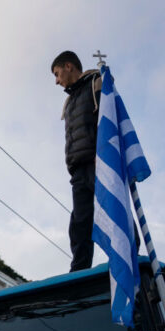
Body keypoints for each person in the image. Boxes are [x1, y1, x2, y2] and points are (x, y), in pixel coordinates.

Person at [52, 50, 102, 271]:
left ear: (68, 66)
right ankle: (79, 272)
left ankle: (130, 259)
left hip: (99, 163)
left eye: (57, 73)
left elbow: (107, 118)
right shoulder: (69, 101)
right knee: (80, 222)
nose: (56, 81)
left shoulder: (96, 83)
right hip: (78, 170)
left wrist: (103, 156)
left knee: (113, 211)